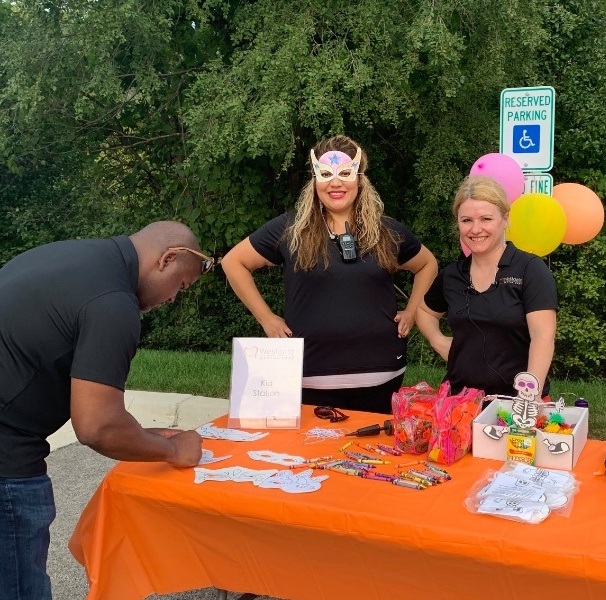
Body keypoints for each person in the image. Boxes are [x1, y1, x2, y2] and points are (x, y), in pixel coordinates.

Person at [0, 221, 211, 599]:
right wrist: (174, 450)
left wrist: (141, 437)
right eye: (180, 287)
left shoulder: (64, 254)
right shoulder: (113, 302)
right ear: (167, 259)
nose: (174, 300)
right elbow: (97, 426)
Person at [221, 135, 437, 414]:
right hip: (309, 377)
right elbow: (233, 262)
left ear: (360, 178)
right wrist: (267, 319)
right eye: (325, 175)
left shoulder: (388, 231)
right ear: (315, 180)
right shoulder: (290, 229)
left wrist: (412, 311)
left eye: (345, 174)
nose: (335, 183)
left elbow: (427, 264)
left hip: (382, 376)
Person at [416, 175, 558, 399]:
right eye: (466, 221)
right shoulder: (453, 275)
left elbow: (543, 335)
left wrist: (530, 396)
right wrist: (438, 340)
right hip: (458, 402)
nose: (476, 229)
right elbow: (424, 311)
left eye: (486, 219)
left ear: (505, 219)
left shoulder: (530, 269)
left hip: (517, 403)